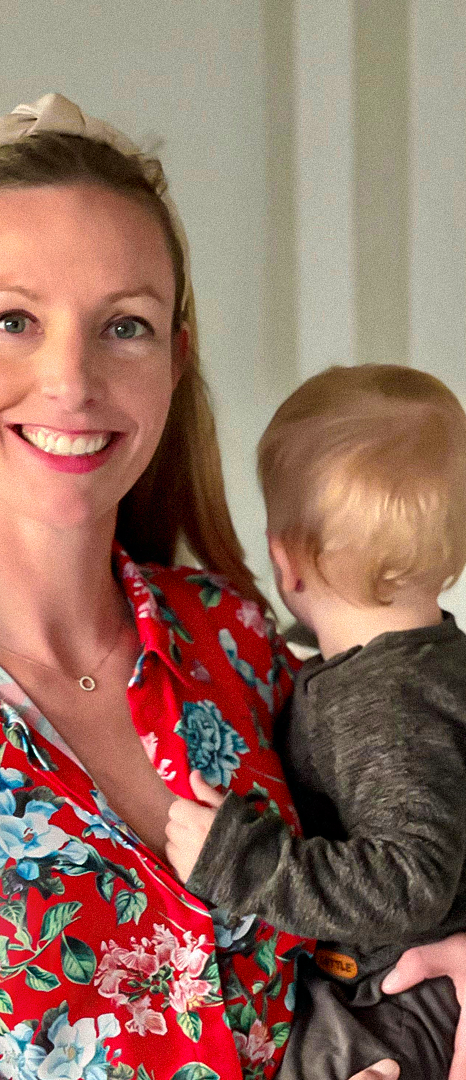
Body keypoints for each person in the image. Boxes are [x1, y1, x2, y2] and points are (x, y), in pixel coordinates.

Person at [0, 93, 466, 1080]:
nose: (71, 381)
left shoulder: (236, 639)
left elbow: (417, 833)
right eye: (13, 320)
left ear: (173, 361)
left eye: (123, 326)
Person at [164, 364, 466, 1078]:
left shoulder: (385, 703)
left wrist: (243, 861)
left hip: (401, 1004)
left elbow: (408, 879)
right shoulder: (422, 666)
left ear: (286, 563)